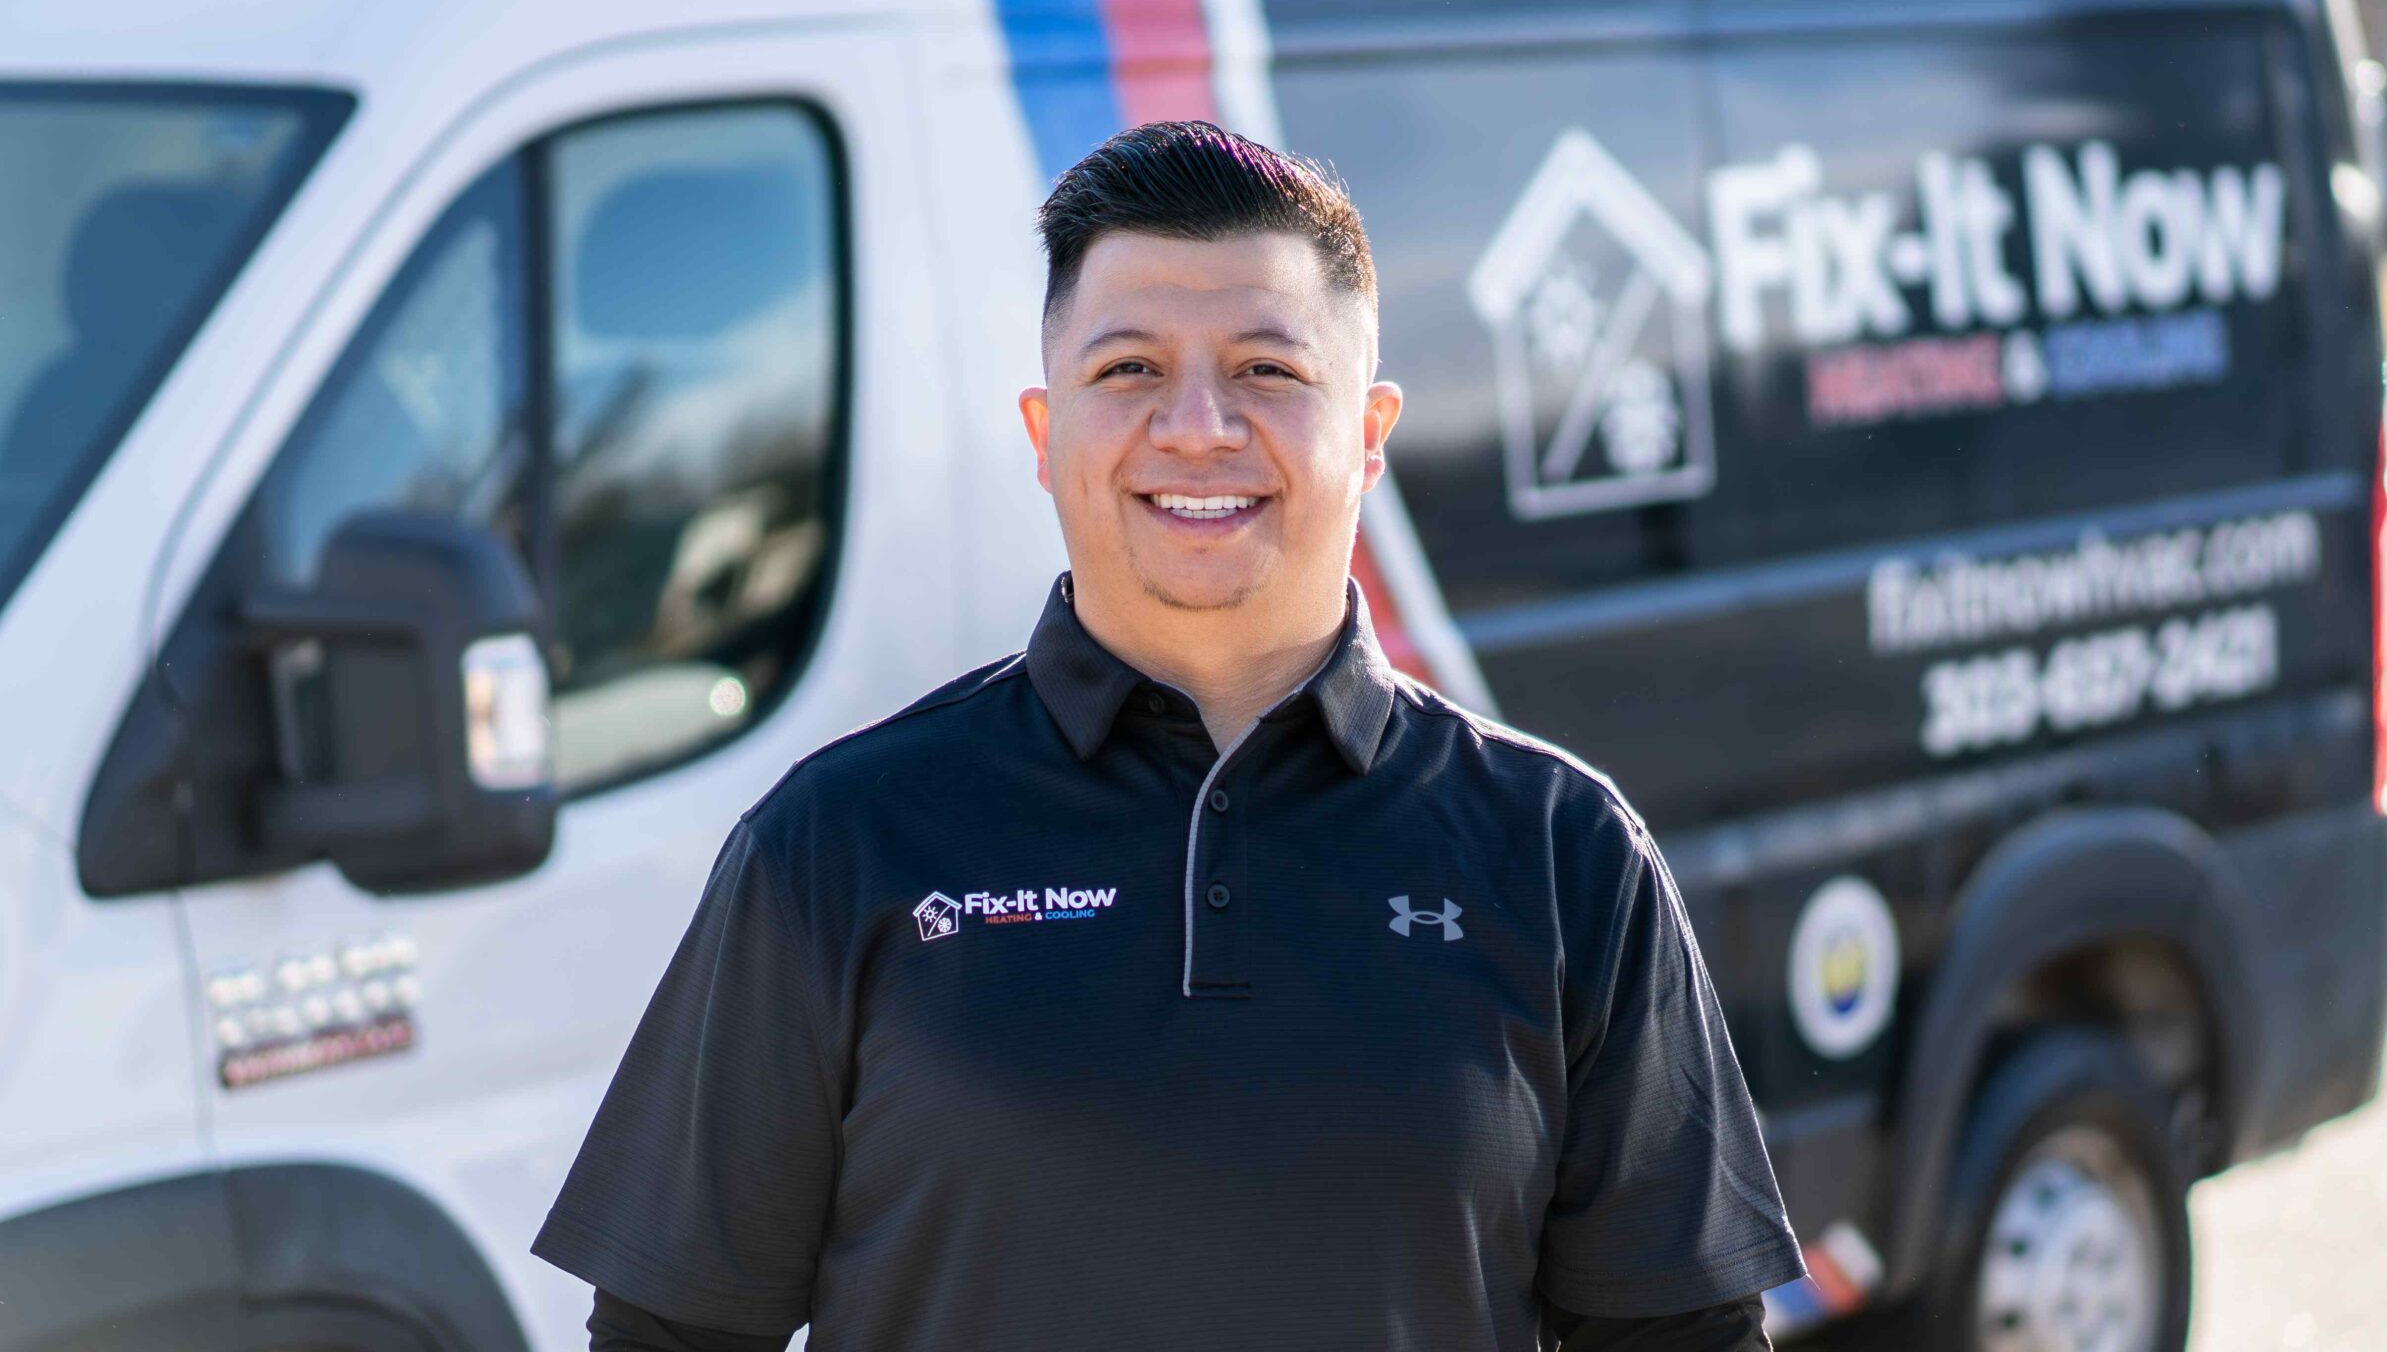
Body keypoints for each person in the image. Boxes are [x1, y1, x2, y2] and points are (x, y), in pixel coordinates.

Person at [532, 121, 1805, 1350]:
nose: (1196, 425)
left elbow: (1678, 1334)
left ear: (1367, 437)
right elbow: (673, 1331)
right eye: (1128, 368)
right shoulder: (835, 842)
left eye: (1268, 368)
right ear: (1046, 436)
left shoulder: (1563, 853)